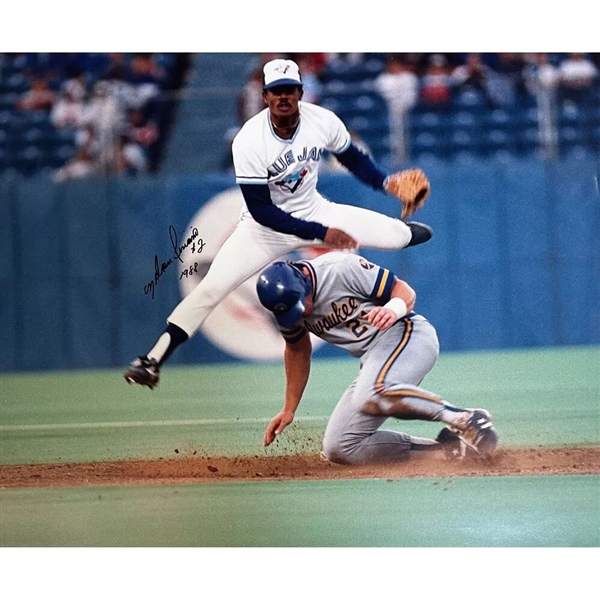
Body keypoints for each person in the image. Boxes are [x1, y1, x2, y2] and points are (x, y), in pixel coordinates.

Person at [124, 58, 433, 389]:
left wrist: (386, 183)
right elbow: (262, 211)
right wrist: (322, 234)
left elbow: (351, 157)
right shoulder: (249, 139)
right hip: (264, 231)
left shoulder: (322, 120)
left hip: (316, 210)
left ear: (300, 92)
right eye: (275, 91)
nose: (283, 97)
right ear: (265, 95)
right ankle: (152, 360)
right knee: (211, 288)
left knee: (405, 236)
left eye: (289, 90)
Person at [256, 253, 499, 464]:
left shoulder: (340, 269)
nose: (303, 311)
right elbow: (297, 350)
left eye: (301, 303)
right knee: (340, 447)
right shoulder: (286, 306)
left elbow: (404, 291)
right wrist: (289, 409)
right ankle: (447, 451)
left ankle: (466, 418)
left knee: (370, 392)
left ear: (304, 280)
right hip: (375, 359)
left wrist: (392, 309)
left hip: (408, 335)